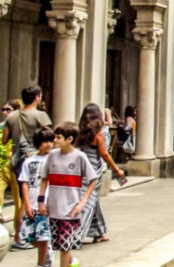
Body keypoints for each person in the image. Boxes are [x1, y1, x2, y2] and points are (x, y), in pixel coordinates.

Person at [38, 122, 99, 267]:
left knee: (65, 247)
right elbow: (45, 178)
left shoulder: (80, 157)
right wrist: (41, 201)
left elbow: (93, 179)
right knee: (59, 245)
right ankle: (73, 262)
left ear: (69, 139)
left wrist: (82, 202)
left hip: (70, 210)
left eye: (58, 137)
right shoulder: (52, 156)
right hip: (53, 208)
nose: (55, 140)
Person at [76, 103, 125, 243]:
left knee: (92, 200)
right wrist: (117, 170)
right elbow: (105, 154)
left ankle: (99, 232)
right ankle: (77, 233)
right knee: (89, 201)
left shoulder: (80, 132)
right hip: (93, 170)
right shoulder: (99, 135)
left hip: (81, 168)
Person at [19, 126, 54, 267]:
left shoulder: (54, 160)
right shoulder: (29, 161)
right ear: (38, 143)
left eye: (51, 141)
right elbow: (24, 183)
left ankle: (41, 264)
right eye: (46, 141)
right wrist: (26, 204)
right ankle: (48, 252)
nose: (49, 144)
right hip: (32, 204)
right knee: (29, 237)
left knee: (43, 238)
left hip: (45, 205)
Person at [0, 99, 27, 250]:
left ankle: (18, 231)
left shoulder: (19, 126)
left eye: (8, 109)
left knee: (18, 200)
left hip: (15, 165)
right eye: (3, 109)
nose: (5, 112)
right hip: (2, 166)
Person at [3, 86, 53, 173]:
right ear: (37, 98)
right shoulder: (41, 115)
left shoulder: (11, 116)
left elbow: (4, 140)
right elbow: (49, 137)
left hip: (18, 160)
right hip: (38, 159)